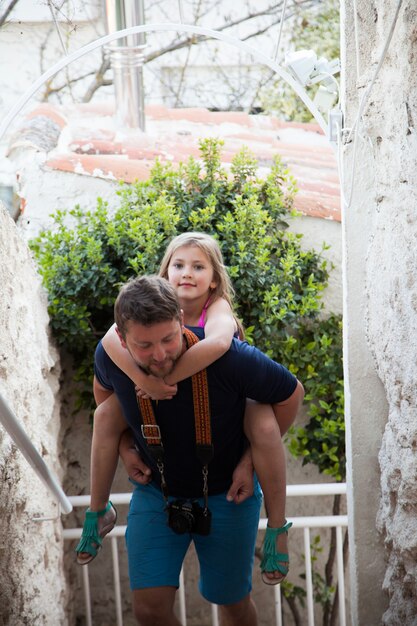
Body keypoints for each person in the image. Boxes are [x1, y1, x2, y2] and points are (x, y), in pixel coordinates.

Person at [76, 232, 298, 585]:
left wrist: (161, 381)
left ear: (214, 280)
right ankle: (98, 508)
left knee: (266, 429)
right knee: (104, 414)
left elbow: (221, 343)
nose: (187, 273)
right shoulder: (143, 313)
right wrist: (141, 383)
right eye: (178, 265)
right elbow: (109, 341)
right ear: (164, 274)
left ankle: (277, 526)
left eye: (198, 266)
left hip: (235, 396)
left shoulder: (218, 310)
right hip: (160, 441)